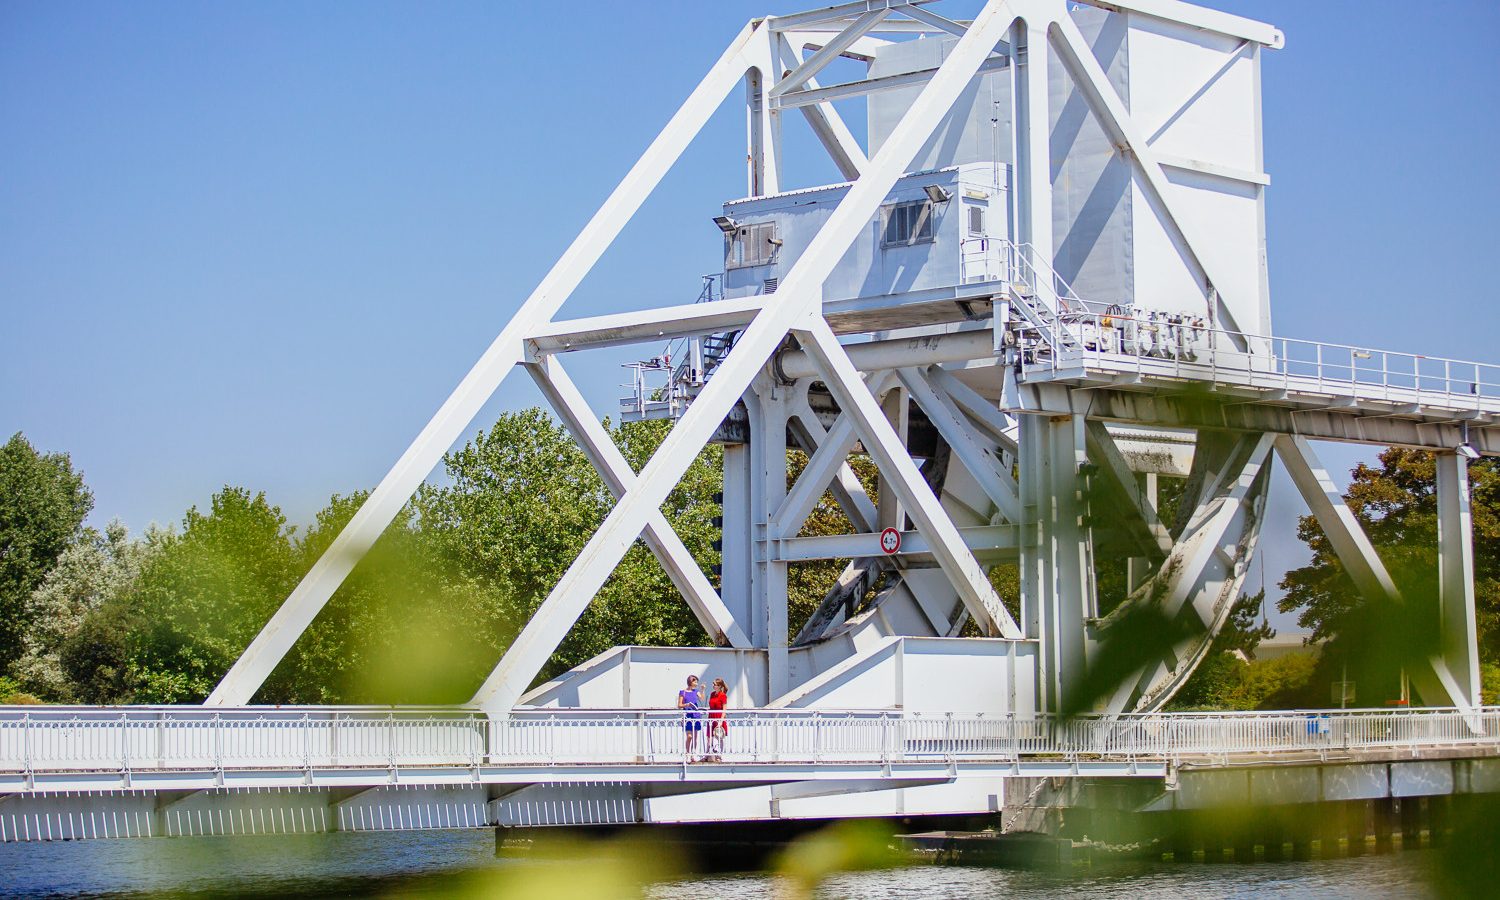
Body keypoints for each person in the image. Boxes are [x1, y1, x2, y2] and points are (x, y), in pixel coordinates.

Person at [677, 675, 703, 759]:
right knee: (689, 736)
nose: (696, 683)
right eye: (695, 681)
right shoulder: (682, 692)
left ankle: (693, 754)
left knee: (695, 736)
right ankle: (687, 753)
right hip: (687, 716)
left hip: (696, 715)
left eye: (696, 682)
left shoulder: (696, 691)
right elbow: (679, 705)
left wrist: (702, 689)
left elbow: (702, 698)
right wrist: (687, 704)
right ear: (690, 682)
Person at [707, 677, 729, 761]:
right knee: (711, 736)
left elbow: (724, 709)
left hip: (719, 717)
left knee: (719, 736)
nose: (713, 686)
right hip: (711, 717)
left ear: (719, 686)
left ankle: (719, 755)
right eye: (713, 684)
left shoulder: (723, 695)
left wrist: (721, 720)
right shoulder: (712, 694)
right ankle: (711, 753)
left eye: (715, 685)